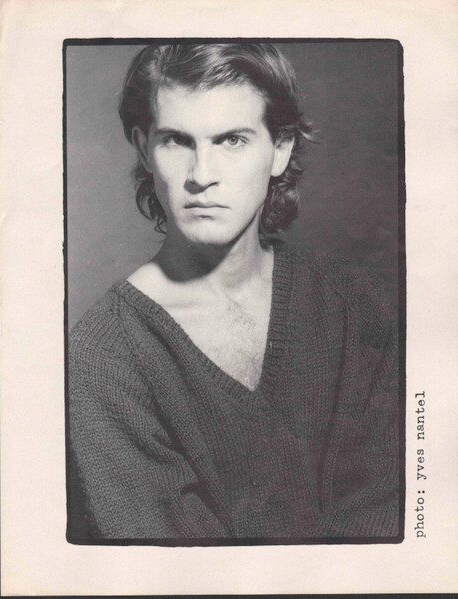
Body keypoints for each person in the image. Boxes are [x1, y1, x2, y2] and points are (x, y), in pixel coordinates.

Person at [68, 43, 399, 541]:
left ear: (280, 149)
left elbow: (395, 512)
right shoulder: (103, 355)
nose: (202, 176)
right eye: (177, 141)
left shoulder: (353, 303)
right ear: (143, 148)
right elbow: (173, 566)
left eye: (232, 140)